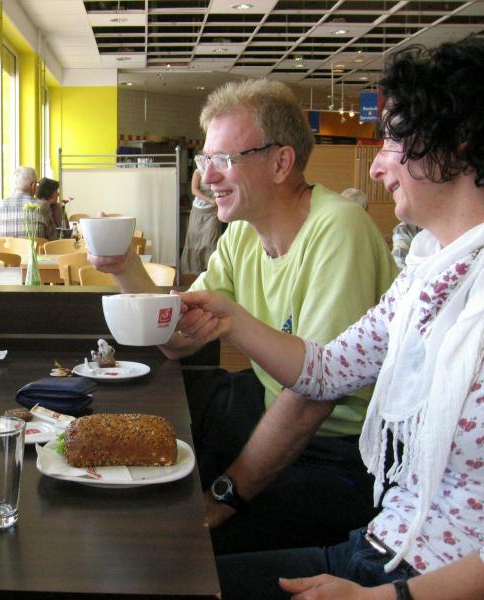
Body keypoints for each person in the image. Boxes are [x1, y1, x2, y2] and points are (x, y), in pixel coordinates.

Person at [180, 35, 484, 599]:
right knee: (172, 574)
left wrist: (385, 598)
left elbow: (314, 399)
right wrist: (229, 316)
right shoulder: (427, 274)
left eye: (394, 140)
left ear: (458, 143)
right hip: (381, 546)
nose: (379, 166)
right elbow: (326, 371)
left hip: (416, 581)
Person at [88, 78, 399, 555]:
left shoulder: (338, 229)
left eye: (224, 159)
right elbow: (178, 341)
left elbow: (313, 400)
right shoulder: (242, 234)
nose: (208, 177)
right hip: (269, 403)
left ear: (281, 163)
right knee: (147, 443)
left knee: (191, 546)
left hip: (342, 446)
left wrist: (224, 495)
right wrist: (124, 266)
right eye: (206, 159)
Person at [0, 166, 55, 240]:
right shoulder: (42, 206)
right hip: (33, 248)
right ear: (33, 185)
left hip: (3, 248)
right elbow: (52, 238)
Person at [181, 167, 222, 273]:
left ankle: (211, 270)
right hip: (198, 211)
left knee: (211, 241)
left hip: (213, 211)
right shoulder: (198, 171)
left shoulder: (220, 169)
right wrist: (210, 199)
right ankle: (194, 272)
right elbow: (194, 190)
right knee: (194, 241)